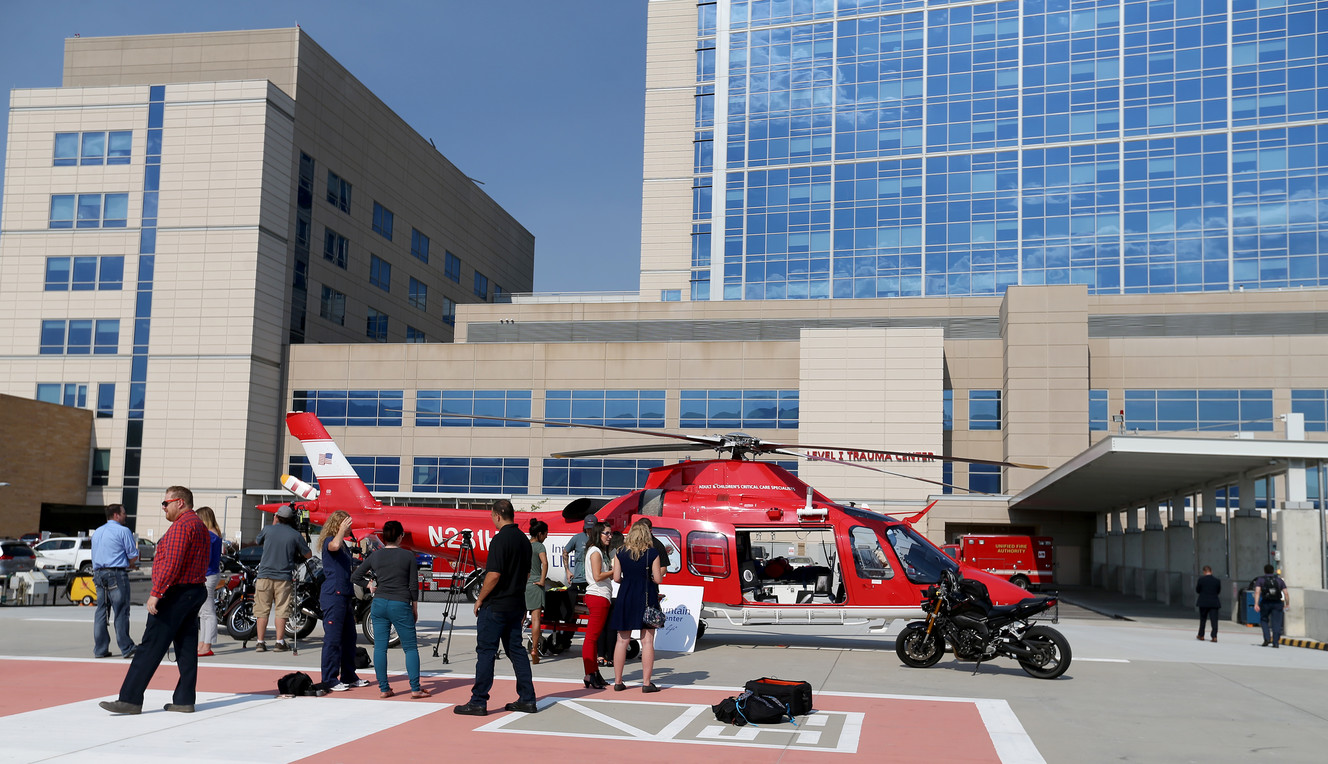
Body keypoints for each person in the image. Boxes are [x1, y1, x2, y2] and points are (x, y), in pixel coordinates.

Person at [99, 486, 210, 715]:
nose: (163, 507)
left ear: (180, 502)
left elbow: (173, 562)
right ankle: (184, 700)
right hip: (194, 590)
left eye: (165, 503)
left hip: (176, 594)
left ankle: (130, 699)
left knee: (150, 646)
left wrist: (157, 592)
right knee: (186, 647)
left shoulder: (182, 526)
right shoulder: (199, 525)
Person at [454, 499, 538, 716]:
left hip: (497, 605)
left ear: (498, 515)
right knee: (516, 650)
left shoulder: (500, 540)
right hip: (516, 604)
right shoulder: (523, 540)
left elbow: (493, 574)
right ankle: (527, 698)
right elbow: (527, 574)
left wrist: (480, 599)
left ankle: (478, 701)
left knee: (486, 652)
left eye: (492, 516)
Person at [351, 520, 427, 698]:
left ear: (383, 538)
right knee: (410, 648)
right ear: (400, 536)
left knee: (380, 647)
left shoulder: (375, 556)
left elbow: (356, 576)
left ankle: (384, 688)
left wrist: (369, 584)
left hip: (379, 603)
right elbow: (413, 585)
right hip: (400, 603)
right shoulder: (408, 556)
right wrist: (414, 607)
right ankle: (415, 688)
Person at [317, 510, 372, 692]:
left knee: (349, 638)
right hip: (334, 595)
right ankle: (330, 679)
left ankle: (349, 675)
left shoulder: (344, 546)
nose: (350, 528)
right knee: (333, 639)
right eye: (347, 525)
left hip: (345, 595)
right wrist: (341, 530)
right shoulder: (330, 542)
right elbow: (334, 545)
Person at [610, 520, 665, 693]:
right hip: (646, 597)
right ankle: (646, 683)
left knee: (621, 640)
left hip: (625, 596)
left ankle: (618, 681)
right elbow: (658, 579)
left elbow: (617, 578)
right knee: (647, 641)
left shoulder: (620, 552)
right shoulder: (652, 553)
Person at [252, 504, 311, 652]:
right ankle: (279, 642)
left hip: (264, 576)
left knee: (262, 610)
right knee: (281, 610)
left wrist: (273, 524)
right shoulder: (295, 535)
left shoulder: (268, 530)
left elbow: (257, 541)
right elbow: (308, 554)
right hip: (283, 577)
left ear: (277, 516)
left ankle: (260, 642)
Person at [91, 503, 139, 659]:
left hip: (98, 574)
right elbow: (133, 555)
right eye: (124, 513)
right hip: (116, 574)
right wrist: (131, 563)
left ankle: (100, 649)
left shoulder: (98, 531)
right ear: (116, 515)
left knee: (101, 611)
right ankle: (126, 647)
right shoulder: (123, 531)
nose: (126, 516)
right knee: (121, 610)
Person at [581, 522, 614, 689]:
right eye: (606, 533)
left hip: (602, 596)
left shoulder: (599, 551)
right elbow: (597, 575)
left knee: (593, 638)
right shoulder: (595, 552)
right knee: (591, 638)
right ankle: (590, 673)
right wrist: (614, 571)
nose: (609, 536)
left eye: (610, 533)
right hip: (597, 596)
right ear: (598, 534)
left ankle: (594, 672)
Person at [194, 507, 224, 657]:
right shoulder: (214, 534)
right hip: (210, 574)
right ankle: (203, 643)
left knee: (207, 611)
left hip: (207, 575)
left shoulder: (209, 536)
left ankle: (207, 645)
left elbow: (205, 559)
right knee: (204, 611)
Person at [526, 519, 549, 665]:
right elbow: (545, 563)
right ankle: (534, 649)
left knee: (519, 619)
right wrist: (542, 580)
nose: (546, 536)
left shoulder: (525, 545)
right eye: (546, 534)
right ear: (540, 534)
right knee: (536, 619)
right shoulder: (539, 546)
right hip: (535, 584)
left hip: (523, 584)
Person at [1253, 564, 1289, 648]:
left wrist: (1256, 604)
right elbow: (1286, 593)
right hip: (1277, 603)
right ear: (1273, 571)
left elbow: (1257, 592)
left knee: (1264, 620)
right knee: (1276, 622)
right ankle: (1275, 642)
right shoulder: (1279, 580)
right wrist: (1287, 604)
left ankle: (1267, 638)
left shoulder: (1260, 580)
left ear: (1264, 571)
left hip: (1265, 602)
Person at [561, 513, 596, 593]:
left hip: (594, 581)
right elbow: (565, 552)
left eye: (591, 528)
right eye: (588, 528)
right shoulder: (577, 538)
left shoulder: (600, 539)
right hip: (579, 580)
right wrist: (567, 571)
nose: (589, 531)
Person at [1194, 565, 1221, 643]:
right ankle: (1214, 636)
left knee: (1203, 619)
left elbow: (1198, 590)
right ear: (1211, 571)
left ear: (1204, 572)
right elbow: (1218, 591)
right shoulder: (1217, 580)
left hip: (1203, 602)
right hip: (1214, 602)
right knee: (1214, 620)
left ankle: (1201, 635)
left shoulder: (1201, 580)